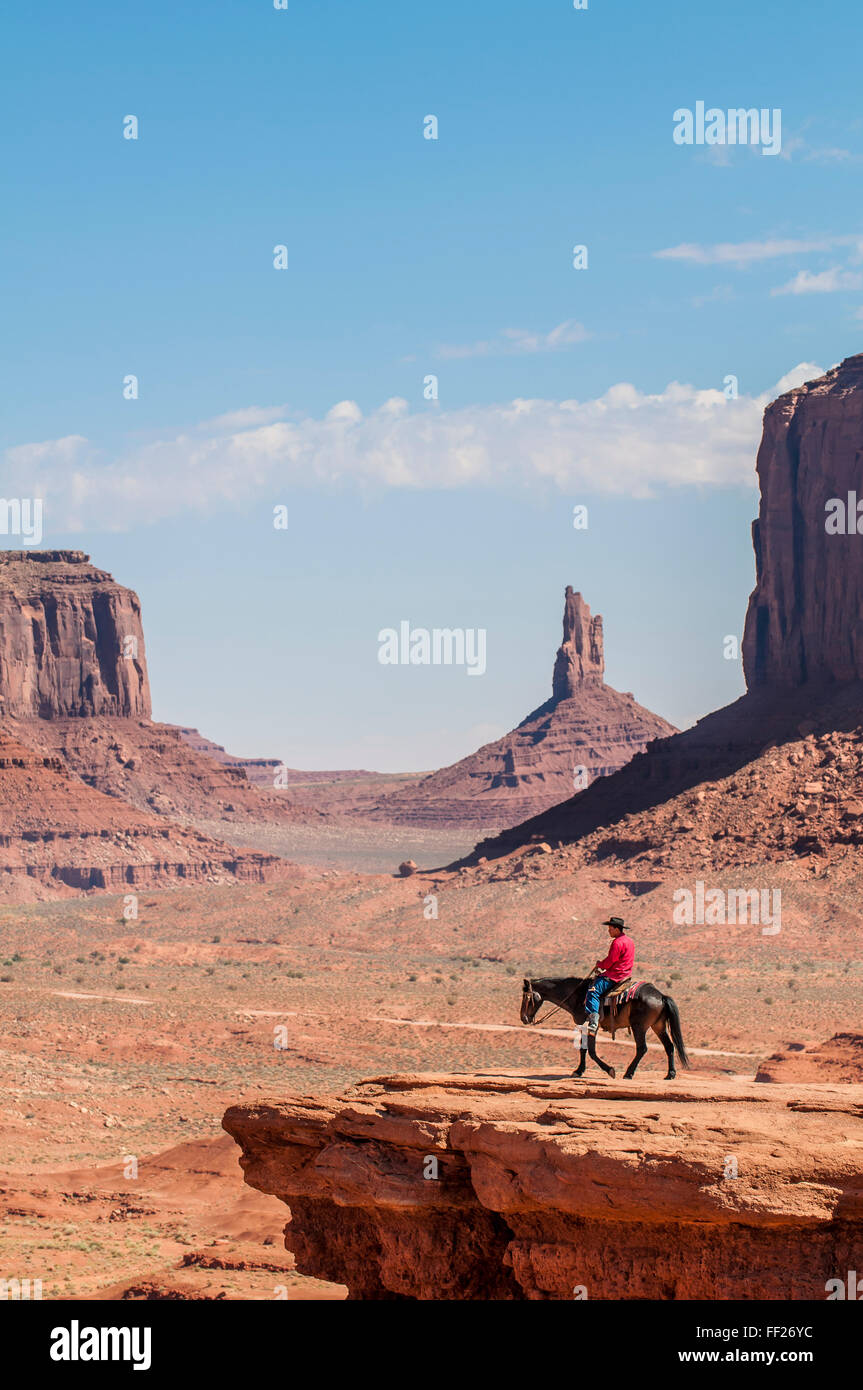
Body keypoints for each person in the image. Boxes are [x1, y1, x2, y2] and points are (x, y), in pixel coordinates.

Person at [585, 917, 635, 1035]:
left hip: (615, 976)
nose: (609, 931)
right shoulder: (629, 941)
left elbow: (611, 961)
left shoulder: (617, 942)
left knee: (593, 991)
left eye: (610, 928)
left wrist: (600, 964)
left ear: (617, 929)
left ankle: (593, 1023)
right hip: (625, 974)